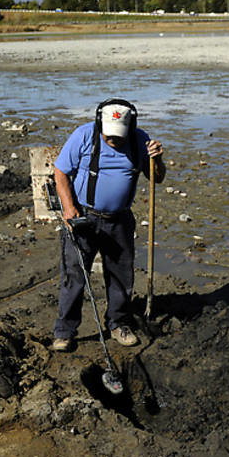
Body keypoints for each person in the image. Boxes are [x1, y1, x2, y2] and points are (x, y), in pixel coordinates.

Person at [51, 99, 165, 352]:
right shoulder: (83, 136)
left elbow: (156, 178)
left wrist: (158, 159)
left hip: (120, 220)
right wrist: (69, 210)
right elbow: (60, 173)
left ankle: (118, 323)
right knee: (74, 276)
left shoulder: (139, 140)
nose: (114, 140)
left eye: (119, 136)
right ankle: (65, 332)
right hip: (84, 217)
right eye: (109, 136)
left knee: (121, 276)